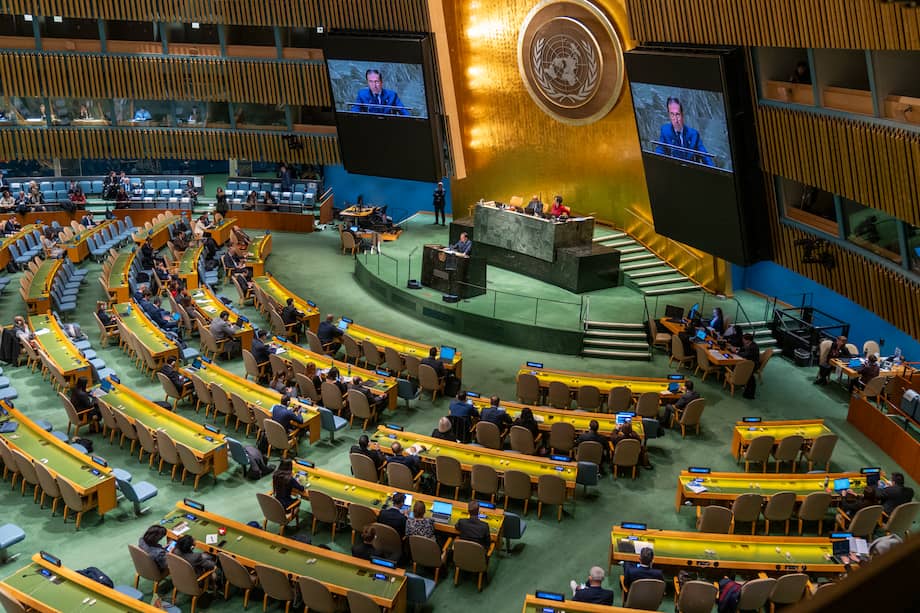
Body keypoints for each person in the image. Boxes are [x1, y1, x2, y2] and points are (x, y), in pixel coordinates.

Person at [655, 97, 713, 166]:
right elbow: (660, 150)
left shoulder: (693, 134)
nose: (675, 120)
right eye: (672, 114)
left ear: (682, 114)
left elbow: (705, 156)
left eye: (677, 114)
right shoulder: (665, 131)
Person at [735, 333, 760, 399]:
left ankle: (748, 393)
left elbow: (746, 354)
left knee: (750, 378)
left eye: (744, 339)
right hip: (749, 362)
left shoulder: (753, 347)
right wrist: (737, 349)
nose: (742, 341)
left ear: (747, 340)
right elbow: (743, 349)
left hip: (752, 365)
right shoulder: (750, 344)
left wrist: (736, 352)